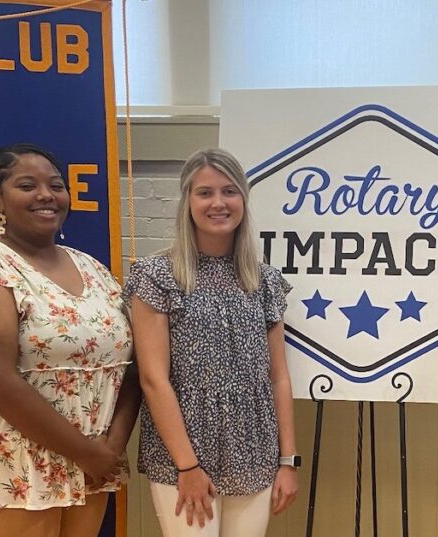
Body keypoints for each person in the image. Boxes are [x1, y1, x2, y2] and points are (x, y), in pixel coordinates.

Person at [0, 144, 141, 537]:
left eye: (56, 185)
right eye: (27, 185)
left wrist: (110, 448)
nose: (46, 195)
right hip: (2, 463)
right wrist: (87, 452)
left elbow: (130, 363)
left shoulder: (92, 267)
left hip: (89, 462)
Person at [125, 148, 298, 537]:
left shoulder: (263, 280)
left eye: (229, 191)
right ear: (187, 201)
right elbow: (154, 379)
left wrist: (288, 460)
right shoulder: (157, 276)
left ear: (243, 200)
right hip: (184, 453)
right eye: (205, 193)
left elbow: (278, 377)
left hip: (254, 449)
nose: (218, 203)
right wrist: (187, 466)